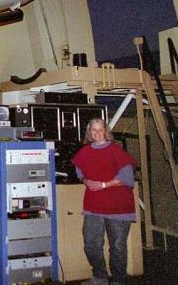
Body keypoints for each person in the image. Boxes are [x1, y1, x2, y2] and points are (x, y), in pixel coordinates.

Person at [71, 118, 137, 285]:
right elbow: (79, 172)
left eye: (100, 129)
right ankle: (100, 277)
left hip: (118, 206)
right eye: (94, 130)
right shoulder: (85, 152)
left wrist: (103, 185)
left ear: (106, 132)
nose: (97, 133)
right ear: (89, 133)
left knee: (117, 247)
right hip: (94, 206)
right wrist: (86, 181)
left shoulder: (116, 150)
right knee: (91, 244)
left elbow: (127, 177)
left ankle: (118, 281)